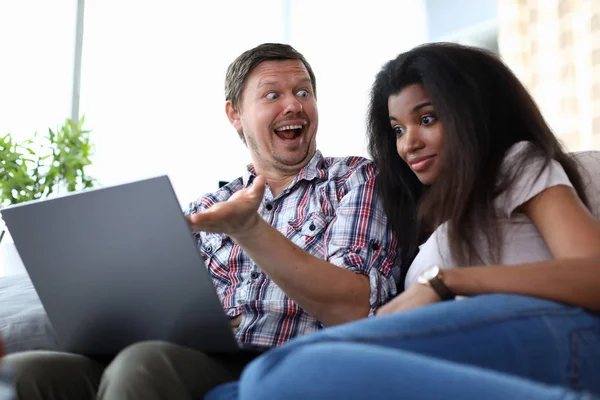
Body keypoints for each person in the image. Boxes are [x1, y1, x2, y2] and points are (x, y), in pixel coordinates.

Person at [2, 43, 400, 399]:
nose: (293, 105)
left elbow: (354, 307)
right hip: (197, 354)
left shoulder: (352, 179)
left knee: (143, 365)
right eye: (272, 95)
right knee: (26, 372)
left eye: (303, 92)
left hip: (279, 361)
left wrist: (249, 231)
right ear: (235, 114)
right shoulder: (207, 207)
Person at [203, 42, 600, 399]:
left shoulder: (514, 164)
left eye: (426, 119)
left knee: (279, 372)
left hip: (552, 335)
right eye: (397, 129)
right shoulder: (432, 223)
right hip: (467, 353)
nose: (408, 143)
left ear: (470, 113)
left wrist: (445, 282)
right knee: (236, 391)